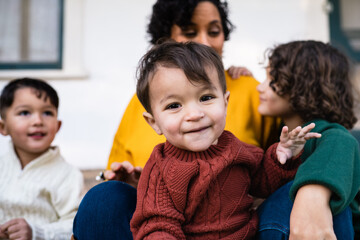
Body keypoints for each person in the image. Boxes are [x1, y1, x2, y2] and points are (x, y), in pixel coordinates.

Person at [129, 41, 321, 239]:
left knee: (298, 192)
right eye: (174, 105)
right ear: (154, 122)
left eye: (205, 98)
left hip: (250, 235)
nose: (194, 114)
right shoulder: (161, 168)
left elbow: (263, 180)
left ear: (225, 102)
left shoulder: (235, 148)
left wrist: (282, 155)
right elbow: (158, 226)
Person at [105, 0, 280, 185]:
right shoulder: (141, 102)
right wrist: (130, 184)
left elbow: (279, 160)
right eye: (190, 33)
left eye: (214, 32)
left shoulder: (249, 90)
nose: (205, 43)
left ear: (226, 101)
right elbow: (115, 171)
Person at [255, 40, 360, 239]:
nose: (260, 87)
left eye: (271, 79)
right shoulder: (278, 134)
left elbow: (342, 142)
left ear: (301, 86)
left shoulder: (324, 133)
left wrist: (312, 196)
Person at [0, 78, 84, 240]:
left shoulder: (67, 175)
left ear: (58, 126)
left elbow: (76, 224)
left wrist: (37, 232)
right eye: (25, 113)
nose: (38, 121)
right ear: (3, 127)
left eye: (47, 113)